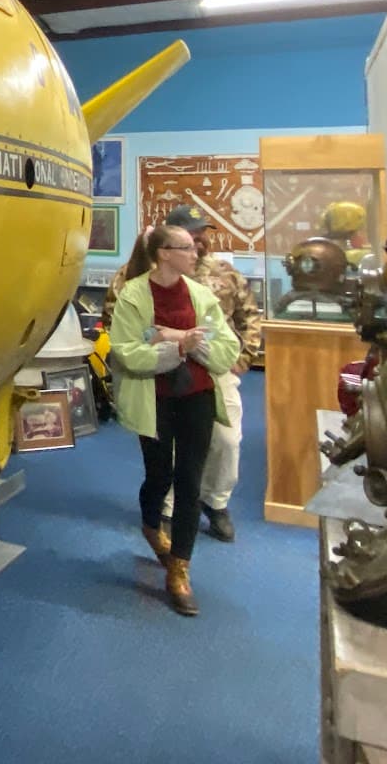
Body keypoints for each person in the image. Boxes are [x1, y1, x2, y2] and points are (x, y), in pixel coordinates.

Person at [102, 205, 262, 542]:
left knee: (227, 442)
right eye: (190, 234)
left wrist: (242, 359)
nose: (199, 239)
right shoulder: (133, 276)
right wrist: (158, 342)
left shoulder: (223, 274)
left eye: (201, 232)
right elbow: (116, 320)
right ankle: (171, 509)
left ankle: (216, 502)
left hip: (213, 368)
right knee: (170, 453)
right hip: (158, 371)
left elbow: (249, 319)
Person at [108, 223, 240, 615]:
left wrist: (169, 337)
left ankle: (179, 569)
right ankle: (152, 526)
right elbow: (127, 353)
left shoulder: (200, 294)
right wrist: (180, 345)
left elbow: (225, 348)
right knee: (159, 475)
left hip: (197, 397)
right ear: (163, 253)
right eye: (185, 247)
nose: (195, 252)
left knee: (190, 482)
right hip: (156, 401)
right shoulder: (133, 294)